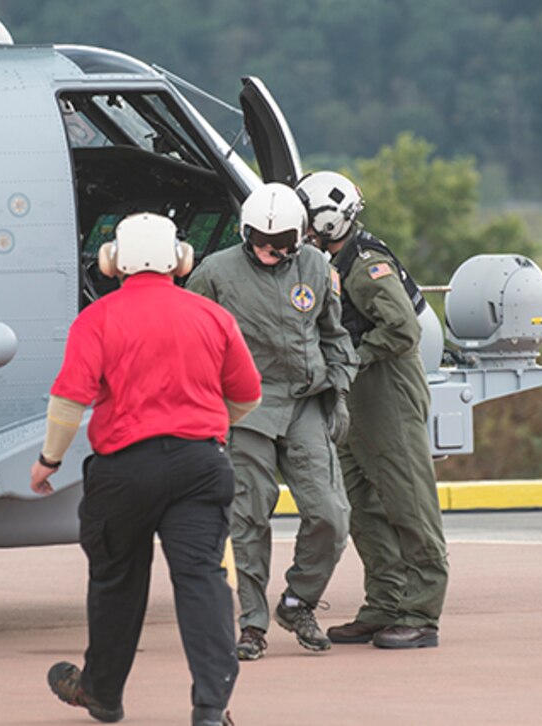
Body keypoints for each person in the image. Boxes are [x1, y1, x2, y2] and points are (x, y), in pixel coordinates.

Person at [30, 212, 261, 726]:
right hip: (201, 466)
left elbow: (69, 401)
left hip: (124, 472)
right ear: (181, 260)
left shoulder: (98, 318)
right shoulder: (212, 317)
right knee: (201, 579)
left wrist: (48, 461)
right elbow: (248, 394)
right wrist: (208, 425)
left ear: (115, 263)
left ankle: (103, 695)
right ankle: (210, 707)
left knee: (117, 579)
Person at [186, 182, 359, 661]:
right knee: (249, 515)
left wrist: (339, 391)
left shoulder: (316, 268)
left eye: (283, 242)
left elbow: (334, 334)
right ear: (245, 233)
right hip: (247, 408)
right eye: (263, 242)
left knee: (330, 513)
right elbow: (190, 340)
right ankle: (252, 624)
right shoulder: (214, 274)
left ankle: (298, 601)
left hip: (305, 400)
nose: (273, 250)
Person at [295, 170, 449, 649]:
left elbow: (404, 330)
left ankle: (421, 612)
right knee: (363, 505)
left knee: (408, 500)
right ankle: (384, 602)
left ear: (329, 222)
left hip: (387, 393)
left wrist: (351, 357)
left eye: (309, 224)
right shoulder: (331, 261)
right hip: (357, 400)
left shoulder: (366, 263)